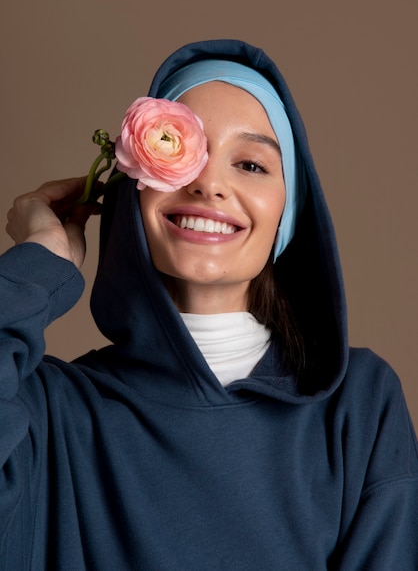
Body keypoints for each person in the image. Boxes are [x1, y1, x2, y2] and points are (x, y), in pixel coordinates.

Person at [1, 39, 417, 570]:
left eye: (250, 164)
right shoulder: (50, 409)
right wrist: (37, 266)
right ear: (133, 189)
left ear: (287, 214)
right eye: (179, 149)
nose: (210, 185)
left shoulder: (358, 405)